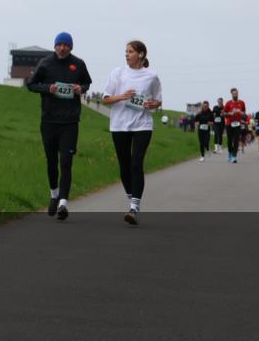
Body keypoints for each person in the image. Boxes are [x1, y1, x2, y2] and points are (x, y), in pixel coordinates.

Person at [26, 32, 93, 221]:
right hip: (49, 121)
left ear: (71, 47)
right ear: (55, 46)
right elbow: (31, 84)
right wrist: (48, 88)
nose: (62, 48)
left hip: (70, 122)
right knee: (51, 161)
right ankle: (54, 194)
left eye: (66, 45)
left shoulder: (78, 64)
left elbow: (87, 82)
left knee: (66, 161)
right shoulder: (46, 63)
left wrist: (82, 88)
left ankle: (63, 202)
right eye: (59, 45)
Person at [102, 40, 163, 225]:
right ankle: (132, 198)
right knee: (124, 166)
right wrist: (122, 96)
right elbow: (106, 99)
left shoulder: (152, 76)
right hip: (120, 125)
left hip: (142, 125)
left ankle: (134, 208)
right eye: (126, 51)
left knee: (136, 164)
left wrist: (153, 104)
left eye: (130, 51)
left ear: (141, 54)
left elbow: (157, 101)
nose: (127, 54)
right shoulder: (117, 73)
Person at [223, 87, 247, 163]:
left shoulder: (242, 103)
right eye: (234, 94)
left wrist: (242, 114)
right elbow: (223, 113)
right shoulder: (228, 103)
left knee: (236, 140)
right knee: (229, 141)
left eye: (236, 93)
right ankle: (230, 153)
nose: (235, 95)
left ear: (238, 94)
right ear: (231, 94)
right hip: (229, 124)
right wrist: (229, 113)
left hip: (237, 124)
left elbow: (244, 114)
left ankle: (234, 156)